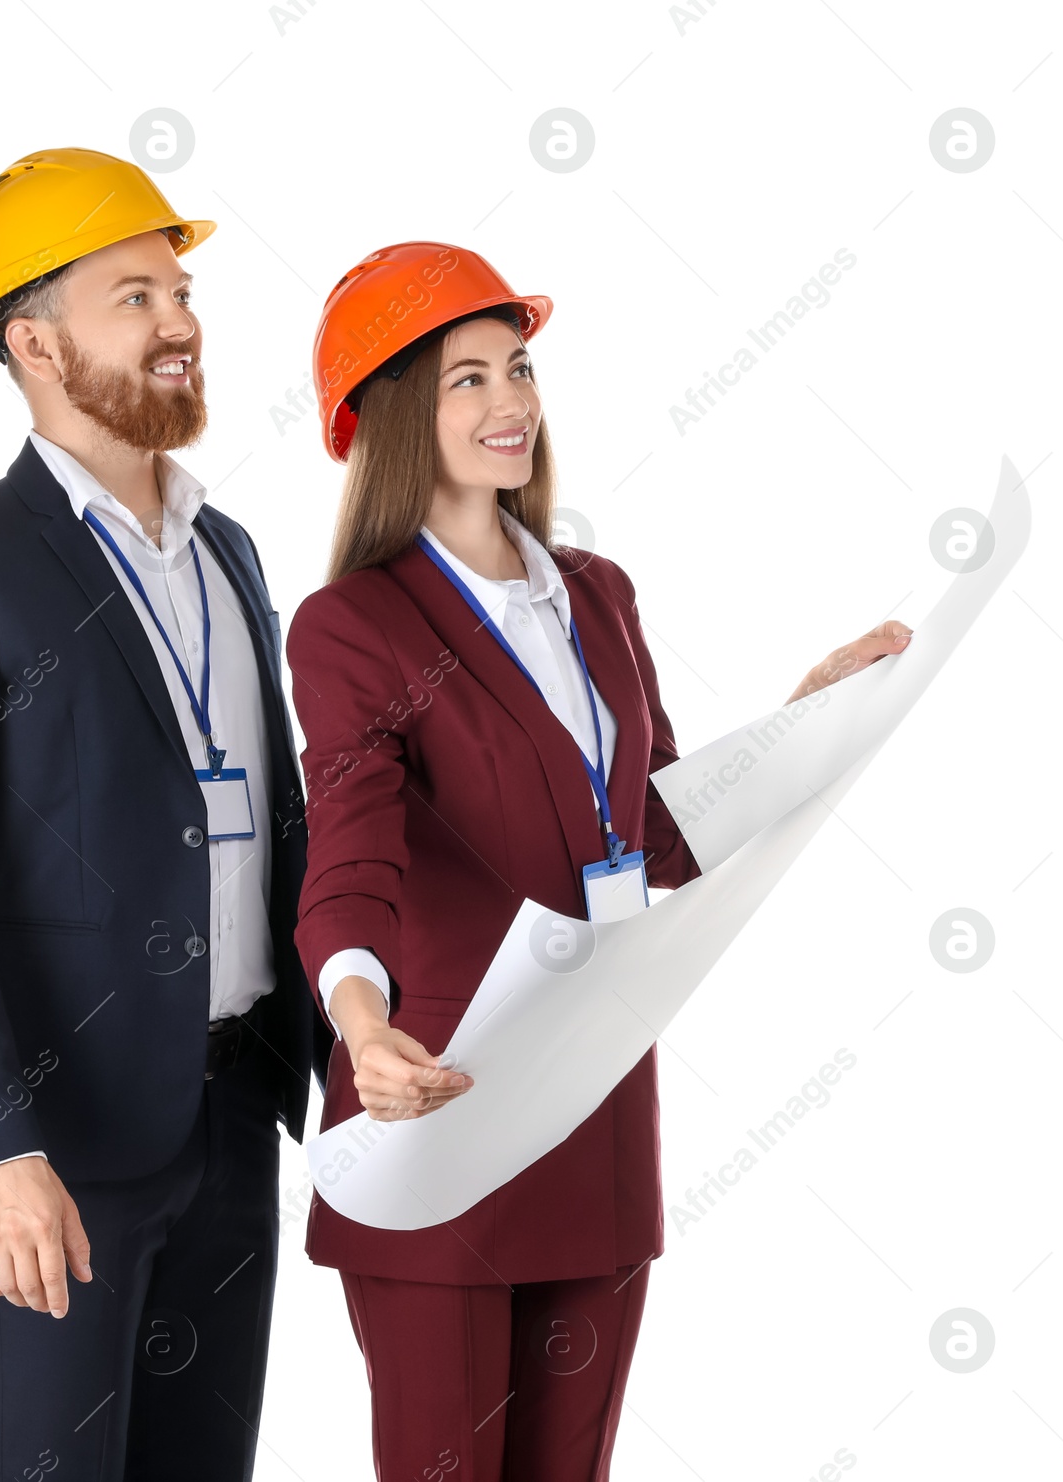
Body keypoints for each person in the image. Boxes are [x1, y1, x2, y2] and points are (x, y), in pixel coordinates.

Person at [286, 240, 911, 1480]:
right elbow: (347, 853)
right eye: (467, 378)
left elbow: (655, 829)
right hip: (443, 1106)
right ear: (399, 413)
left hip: (598, 1108)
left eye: (517, 368)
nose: (511, 401)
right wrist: (360, 1025)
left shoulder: (598, 593)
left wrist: (807, 719)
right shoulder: (354, 623)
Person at [0, 148, 327, 1482]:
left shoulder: (229, 546)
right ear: (35, 341)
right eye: (134, 296)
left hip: (238, 1111)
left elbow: (275, 824)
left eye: (180, 291)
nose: (179, 321)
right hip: (65, 1147)